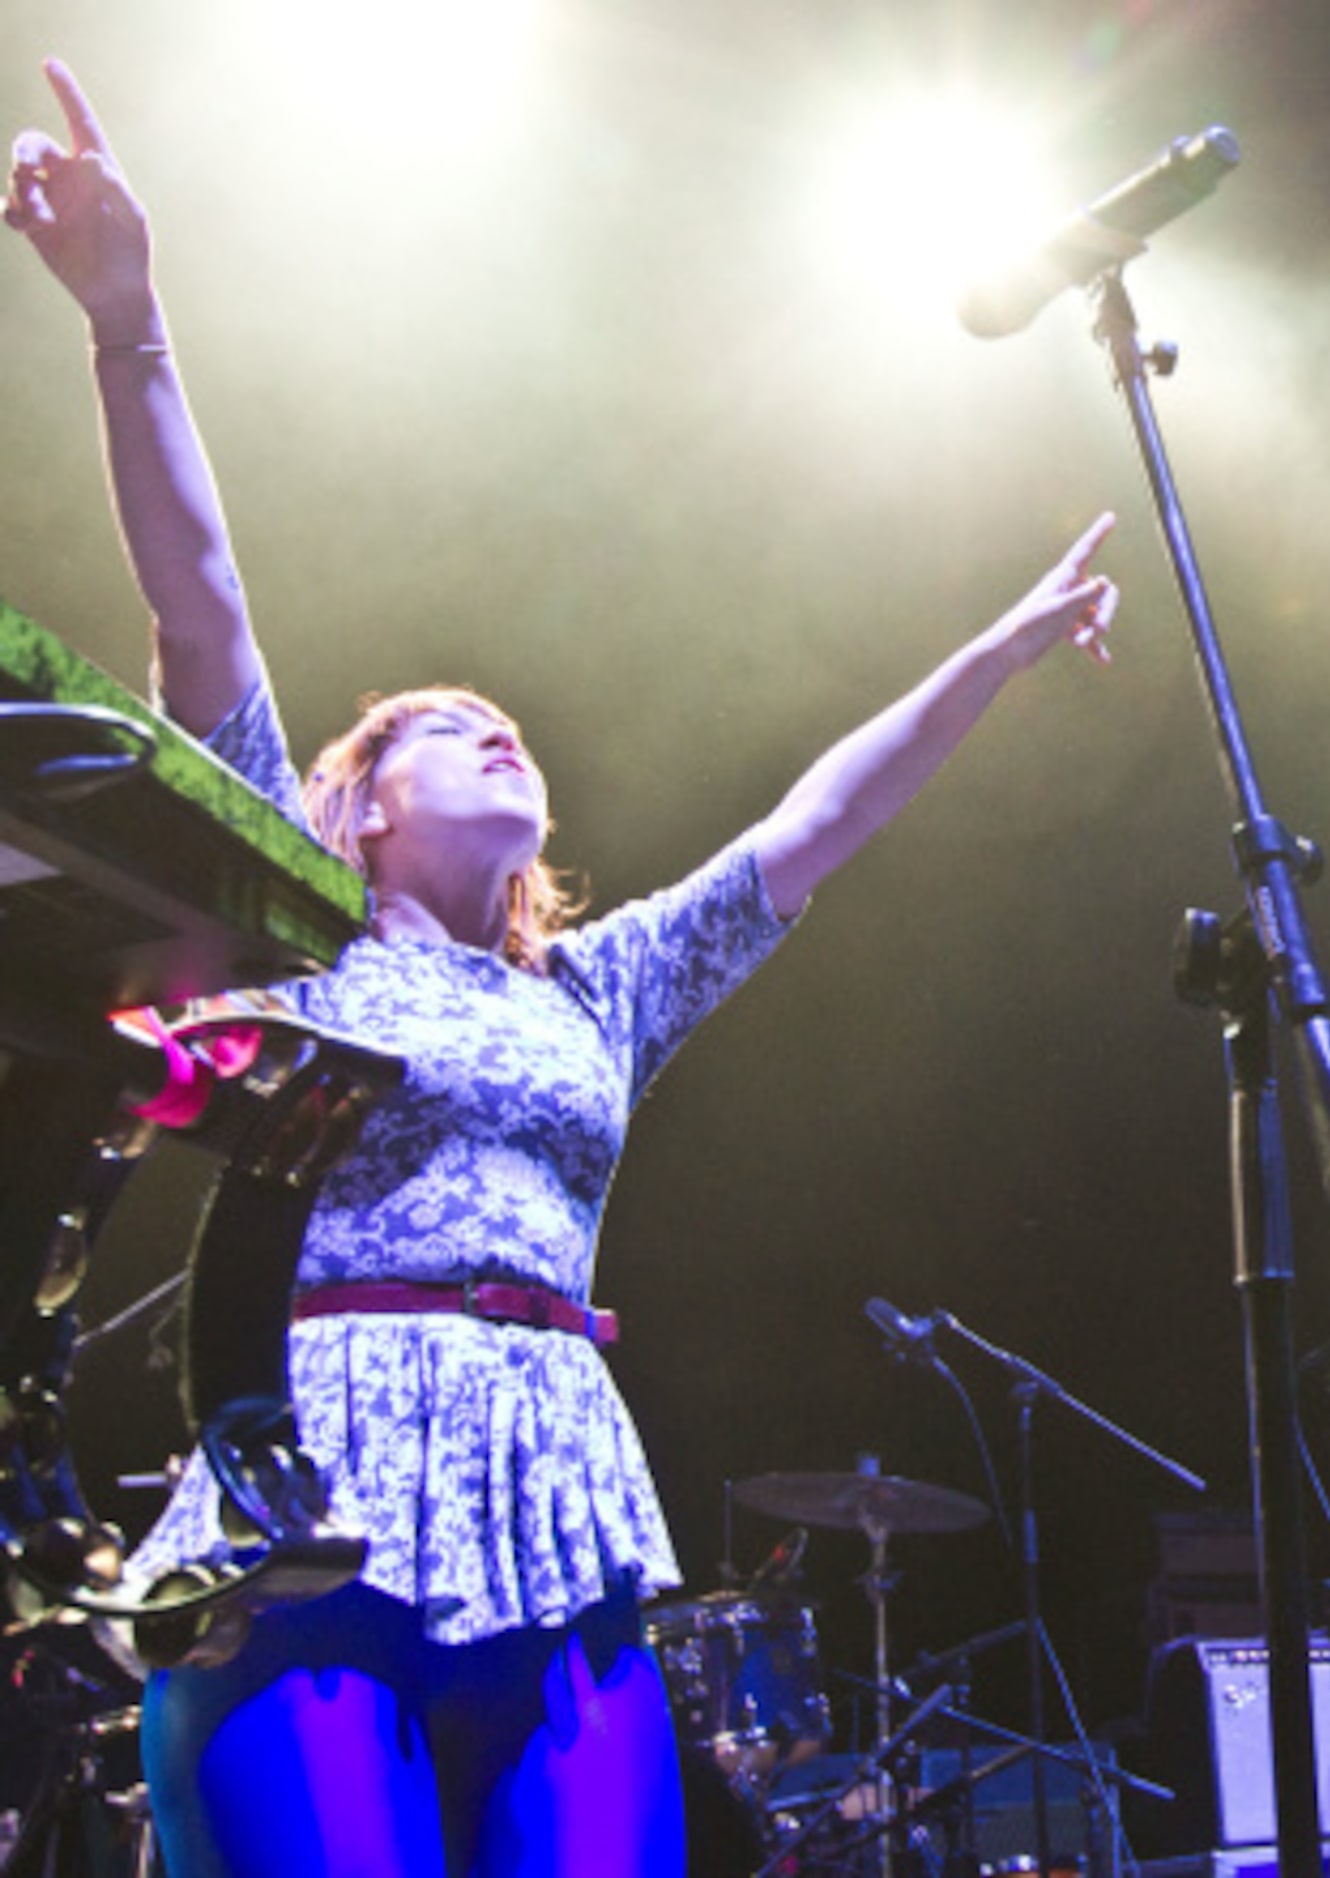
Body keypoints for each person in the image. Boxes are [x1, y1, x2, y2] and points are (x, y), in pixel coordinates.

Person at [10, 58, 1119, 1877]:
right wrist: (130, 326)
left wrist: (991, 653)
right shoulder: (290, 919)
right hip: (324, 1486)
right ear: (355, 806)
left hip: (564, 1495)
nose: (499, 738)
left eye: (512, 726)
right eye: (448, 729)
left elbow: (813, 824)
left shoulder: (595, 989)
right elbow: (197, 597)